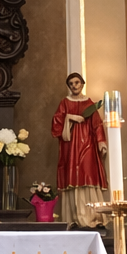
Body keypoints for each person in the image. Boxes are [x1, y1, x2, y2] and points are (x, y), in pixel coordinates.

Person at [51, 72, 108, 228]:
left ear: (82, 84)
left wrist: (101, 142)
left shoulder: (89, 104)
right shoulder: (65, 103)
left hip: (87, 144)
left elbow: (97, 125)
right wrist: (70, 117)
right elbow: (56, 124)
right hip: (71, 147)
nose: (74, 86)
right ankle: (74, 218)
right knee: (73, 177)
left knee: (88, 176)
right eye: (71, 83)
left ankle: (94, 218)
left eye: (77, 82)